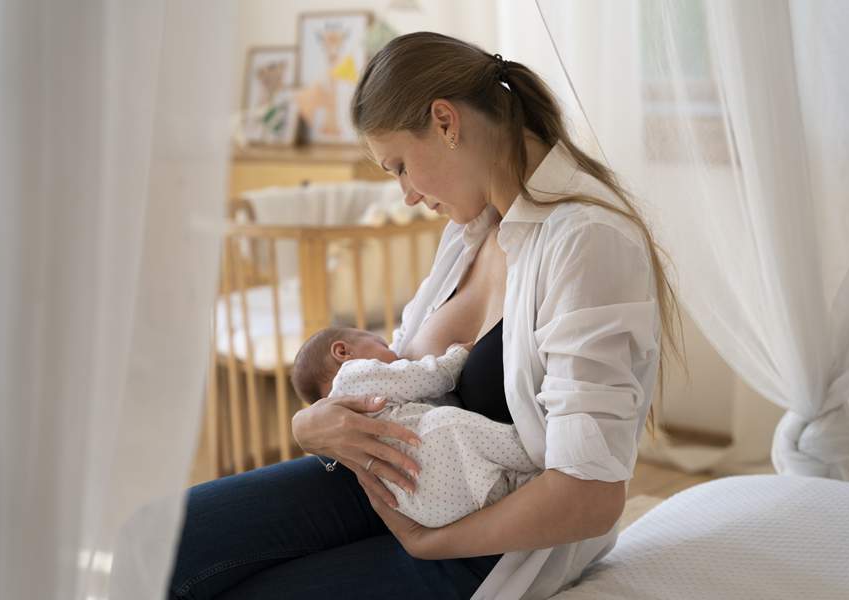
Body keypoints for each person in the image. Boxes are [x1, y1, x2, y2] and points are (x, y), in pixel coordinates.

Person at [166, 31, 681, 599]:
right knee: (163, 543)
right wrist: (310, 426)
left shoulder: (587, 243)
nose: (407, 194)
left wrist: (426, 543)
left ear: (444, 121)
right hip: (391, 484)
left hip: (487, 542)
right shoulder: (469, 234)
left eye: (400, 167)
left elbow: (590, 496)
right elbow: (397, 372)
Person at [291, 326, 540, 528]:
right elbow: (425, 377)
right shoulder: (351, 375)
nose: (396, 354)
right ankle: (534, 453)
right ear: (343, 352)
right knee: (445, 423)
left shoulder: (350, 418)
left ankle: (524, 483)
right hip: (432, 464)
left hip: (424, 508)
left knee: (494, 479)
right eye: (384, 345)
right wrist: (456, 356)